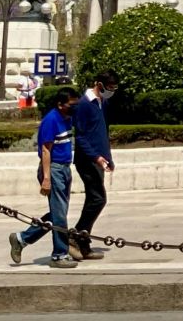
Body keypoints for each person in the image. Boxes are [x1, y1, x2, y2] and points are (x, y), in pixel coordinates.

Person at [10, 88, 79, 269]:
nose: (74, 107)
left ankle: (22, 238)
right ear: (60, 104)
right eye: (71, 104)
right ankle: (59, 255)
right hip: (53, 169)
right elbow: (46, 151)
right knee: (59, 215)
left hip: (64, 168)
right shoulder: (51, 120)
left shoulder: (66, 118)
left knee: (58, 213)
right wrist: (46, 178)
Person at [69, 72, 117, 261]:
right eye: (109, 87)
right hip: (87, 160)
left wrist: (108, 157)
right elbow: (80, 136)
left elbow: (102, 132)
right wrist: (96, 157)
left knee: (94, 199)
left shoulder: (102, 103)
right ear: (99, 84)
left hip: (99, 159)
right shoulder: (83, 104)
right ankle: (75, 236)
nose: (111, 91)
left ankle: (83, 244)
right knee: (98, 199)